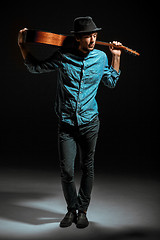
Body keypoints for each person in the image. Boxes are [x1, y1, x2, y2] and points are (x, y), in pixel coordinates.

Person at [18, 16, 122, 229]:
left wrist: (116, 57)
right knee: (66, 170)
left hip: (90, 122)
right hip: (66, 123)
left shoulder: (101, 57)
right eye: (87, 36)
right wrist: (22, 45)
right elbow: (35, 68)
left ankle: (82, 211)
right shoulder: (63, 56)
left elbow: (111, 81)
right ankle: (71, 209)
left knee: (87, 167)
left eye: (94, 35)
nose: (92, 40)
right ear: (77, 38)